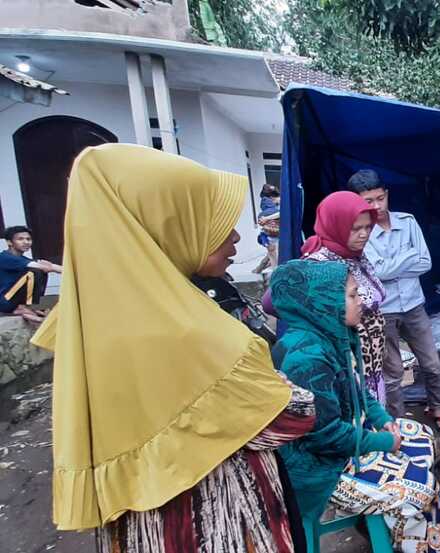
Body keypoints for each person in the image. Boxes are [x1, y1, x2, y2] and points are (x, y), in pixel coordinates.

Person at [30, 143, 315, 552]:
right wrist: (282, 385)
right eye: (212, 224)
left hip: (143, 524)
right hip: (218, 518)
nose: (234, 237)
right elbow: (290, 418)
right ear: (167, 228)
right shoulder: (186, 332)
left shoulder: (92, 322)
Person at [271, 259, 440, 552]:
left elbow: (358, 391)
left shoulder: (328, 336)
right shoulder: (306, 358)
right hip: (321, 470)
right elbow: (327, 437)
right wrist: (383, 440)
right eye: (353, 295)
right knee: (422, 490)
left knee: (424, 436)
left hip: (340, 446)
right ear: (324, 302)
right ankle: (416, 532)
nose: (362, 302)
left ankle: (399, 526)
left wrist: (381, 418)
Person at [348, 169, 440, 430]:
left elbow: (425, 262)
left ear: (387, 195)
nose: (376, 206)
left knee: (433, 363)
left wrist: (391, 266)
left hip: (415, 304)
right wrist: (407, 257)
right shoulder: (360, 232)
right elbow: (377, 272)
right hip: (384, 311)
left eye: (380, 198)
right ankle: (398, 422)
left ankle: (436, 408)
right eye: (368, 202)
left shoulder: (408, 221)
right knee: (392, 374)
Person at [301, 191, 390, 404]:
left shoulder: (355, 255)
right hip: (348, 368)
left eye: (368, 227)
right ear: (336, 225)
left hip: (372, 367)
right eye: (356, 228)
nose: (364, 234)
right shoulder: (321, 264)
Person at [0, 225, 60, 323]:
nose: (26, 242)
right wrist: (48, 267)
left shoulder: (23, 259)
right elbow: (42, 267)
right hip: (4, 302)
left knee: (39, 272)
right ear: (9, 242)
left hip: (10, 300)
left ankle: (26, 307)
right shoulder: (5, 257)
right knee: (35, 271)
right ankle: (21, 307)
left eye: (28, 239)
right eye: (20, 239)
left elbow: (51, 267)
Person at [254, 185, 281, 276]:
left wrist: (266, 219)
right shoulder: (277, 202)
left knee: (272, 252)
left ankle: (266, 269)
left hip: (271, 234)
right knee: (272, 252)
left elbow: (282, 212)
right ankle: (272, 270)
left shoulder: (269, 202)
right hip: (275, 234)